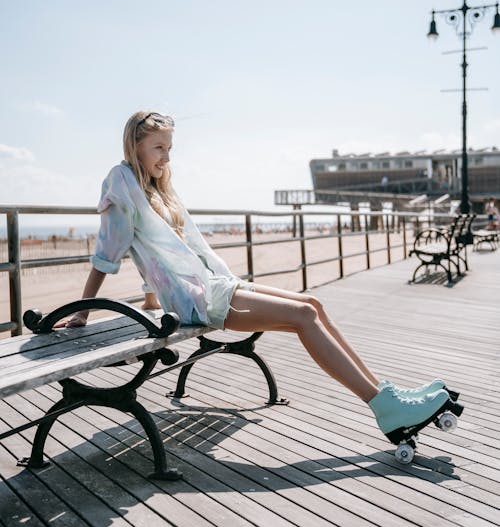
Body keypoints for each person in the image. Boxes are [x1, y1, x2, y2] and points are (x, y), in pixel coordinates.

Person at [62, 111, 451, 444]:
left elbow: (162, 250)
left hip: (208, 282)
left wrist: (149, 295)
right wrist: (82, 311)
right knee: (304, 318)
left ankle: (386, 393)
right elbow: (109, 250)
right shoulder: (123, 183)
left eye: (169, 148)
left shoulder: (159, 188)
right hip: (193, 298)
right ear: (136, 146)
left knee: (313, 303)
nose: (165, 156)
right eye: (158, 148)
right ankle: (384, 409)